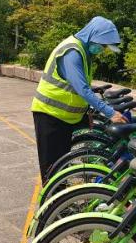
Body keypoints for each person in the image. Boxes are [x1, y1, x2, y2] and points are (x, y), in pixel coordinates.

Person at [31, 16, 128, 182]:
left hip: (64, 117)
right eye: (102, 45)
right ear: (92, 35)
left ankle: (61, 195)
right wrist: (110, 113)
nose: (102, 49)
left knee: (61, 165)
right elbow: (82, 89)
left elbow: (77, 88)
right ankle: (53, 198)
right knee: (52, 168)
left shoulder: (83, 51)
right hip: (50, 114)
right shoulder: (72, 53)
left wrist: (86, 111)